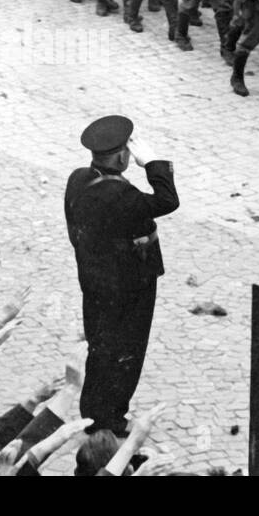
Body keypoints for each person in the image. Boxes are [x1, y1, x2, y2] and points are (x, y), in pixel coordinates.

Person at [64, 116, 177, 436]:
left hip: (94, 281)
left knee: (100, 347)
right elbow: (168, 200)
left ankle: (93, 412)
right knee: (127, 351)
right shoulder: (121, 195)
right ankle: (111, 419)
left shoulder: (77, 179)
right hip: (130, 286)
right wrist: (153, 163)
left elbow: (74, 230)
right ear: (121, 157)